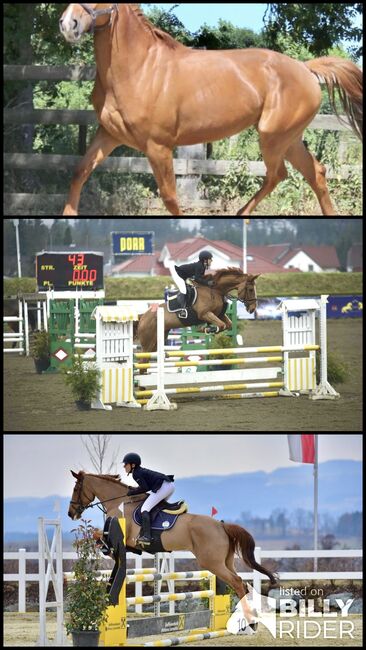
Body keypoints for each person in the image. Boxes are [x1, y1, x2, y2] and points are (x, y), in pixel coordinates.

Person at [122, 453, 175, 545]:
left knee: (145, 508)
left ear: (133, 465)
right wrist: (134, 489)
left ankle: (147, 536)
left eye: (126, 464)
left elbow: (144, 488)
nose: (124, 466)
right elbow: (145, 487)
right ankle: (158, 528)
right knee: (155, 505)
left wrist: (132, 492)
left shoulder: (136, 474)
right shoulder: (138, 471)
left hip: (164, 487)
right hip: (168, 485)